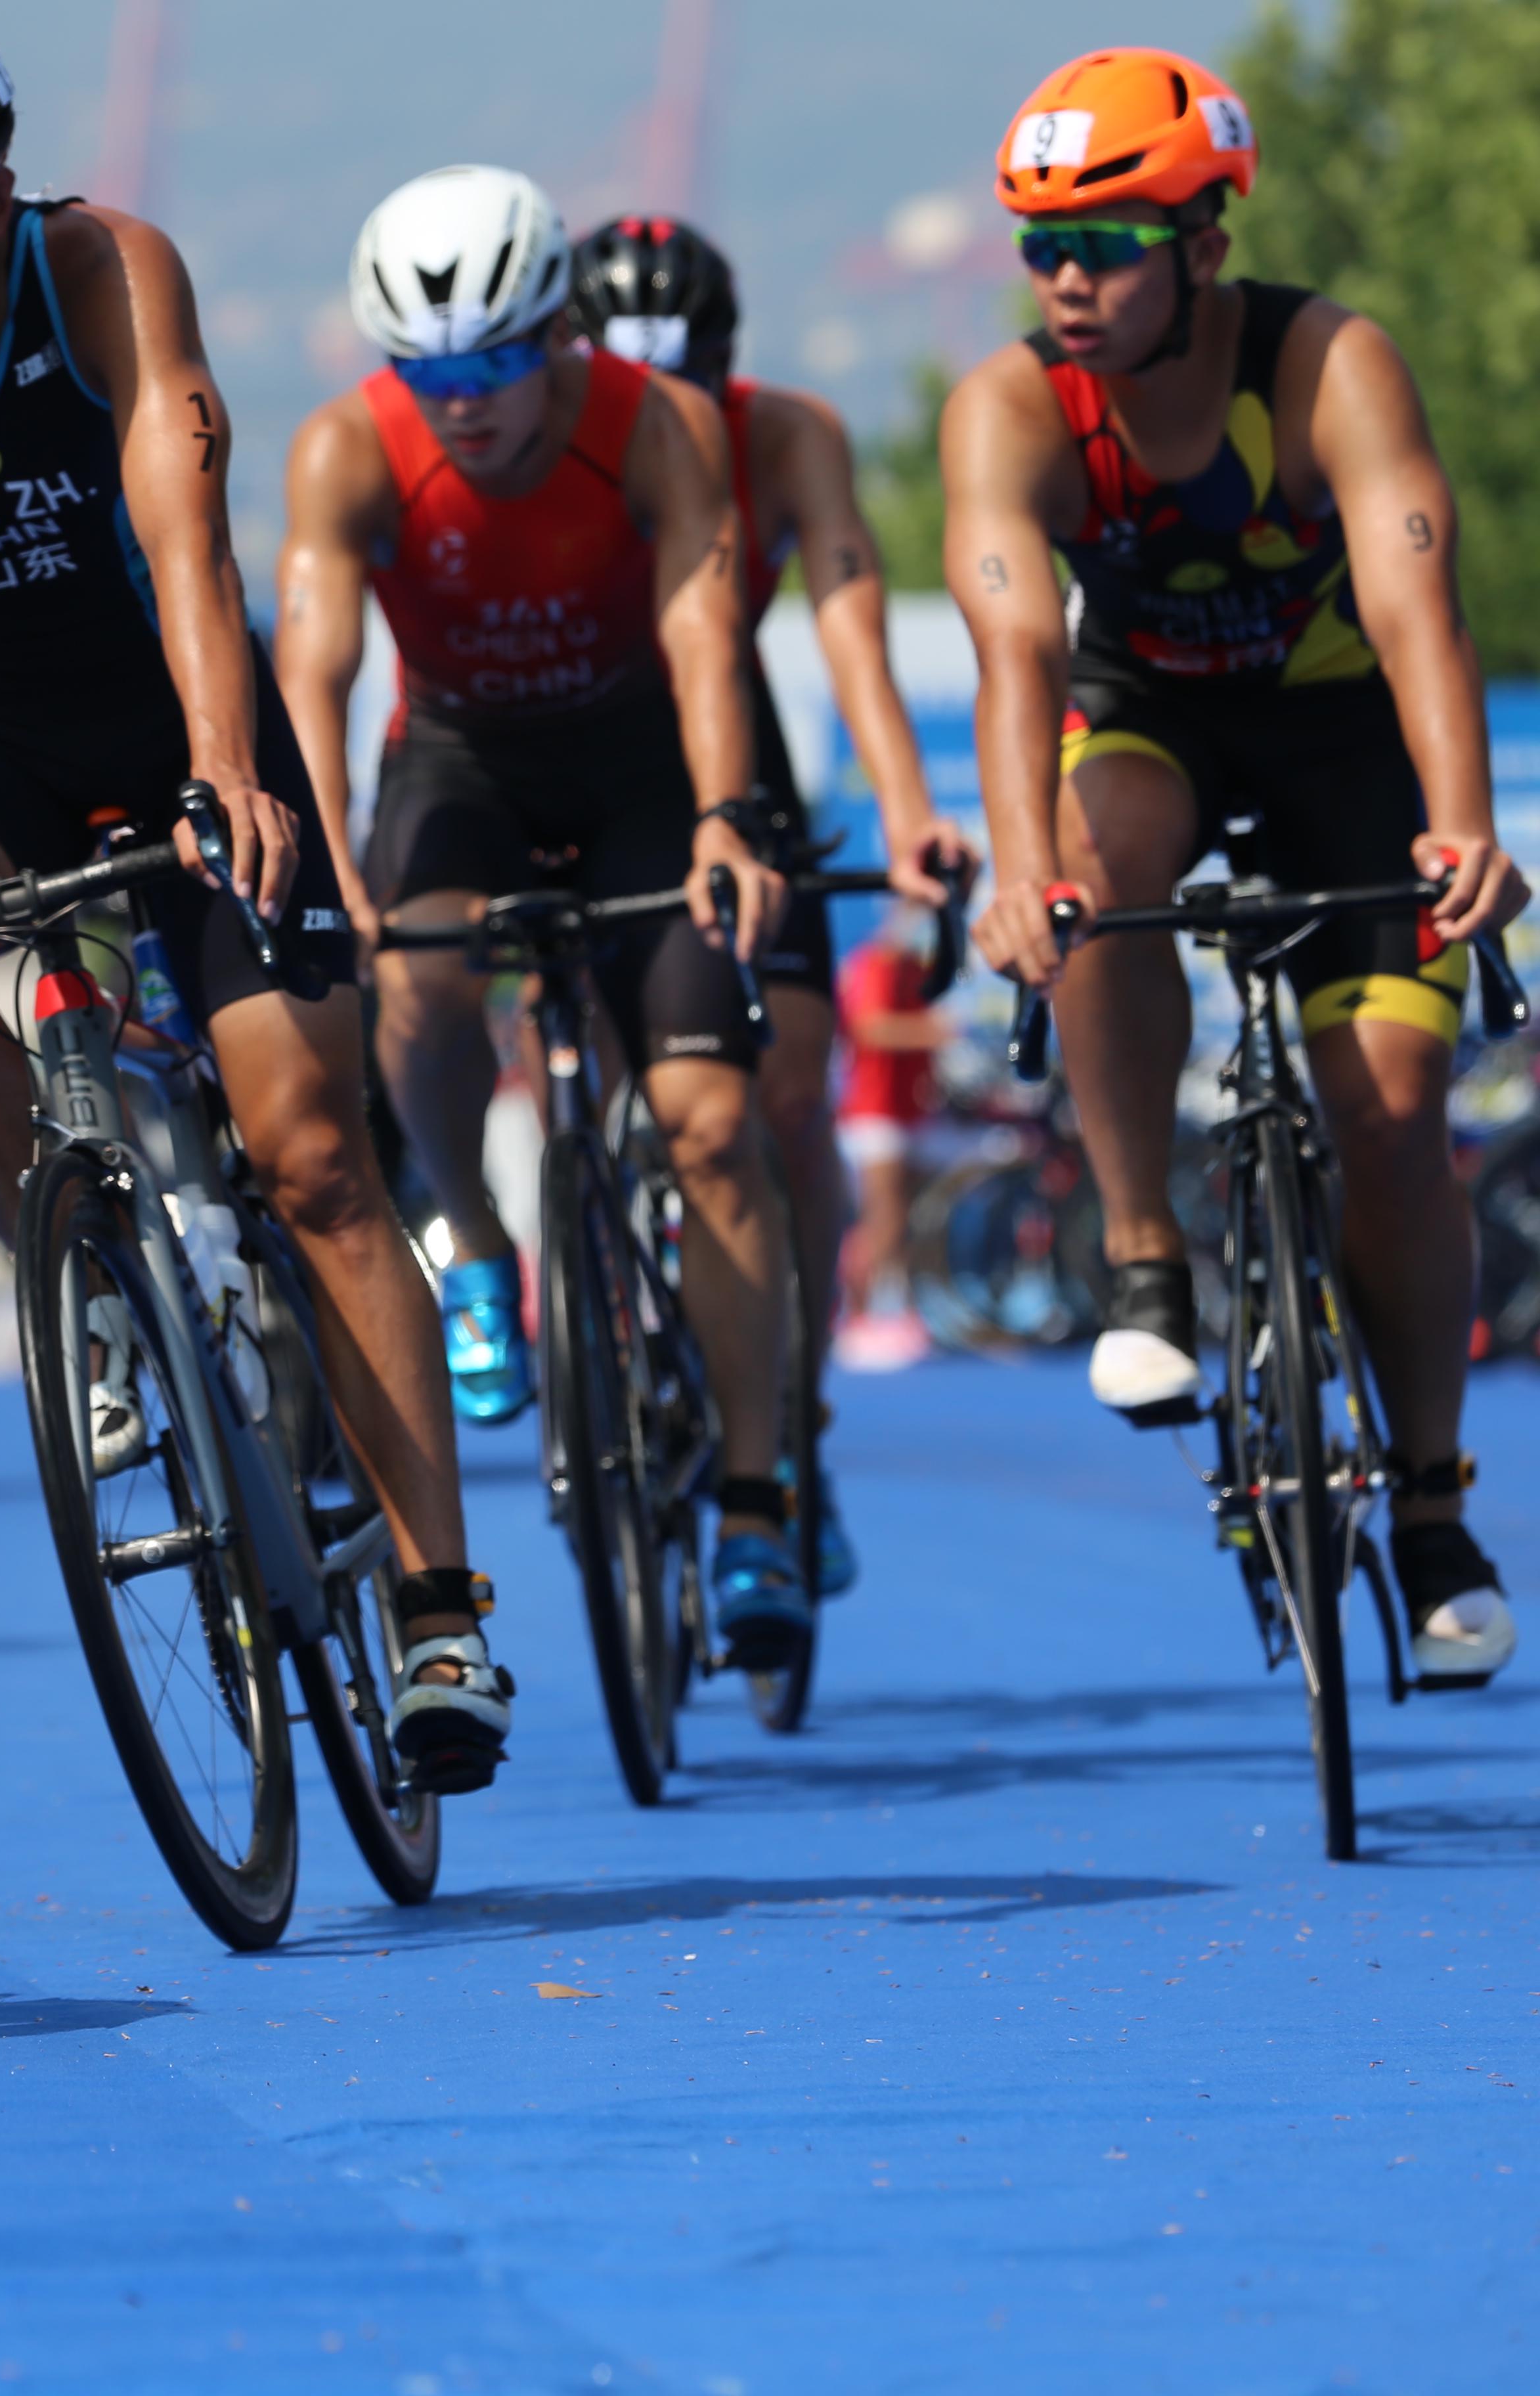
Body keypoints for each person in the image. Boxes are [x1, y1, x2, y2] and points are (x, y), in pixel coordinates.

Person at [0, 5, 507, 1787]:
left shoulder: (105, 275)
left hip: (180, 707)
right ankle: (93, 1296)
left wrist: (222, 768)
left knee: (312, 1155)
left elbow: (188, 539)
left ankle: (440, 1609)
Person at [946, 47, 1520, 1684]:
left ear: (1203, 243)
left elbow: (1415, 611)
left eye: (1105, 246)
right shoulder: (1011, 408)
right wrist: (1016, 873)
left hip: (1343, 732)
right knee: (1090, 867)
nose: (1066, 281)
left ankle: (1430, 1511)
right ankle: (1145, 1258)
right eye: (1042, 247)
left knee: (1391, 1121)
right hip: (1153, 721)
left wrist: (1463, 824)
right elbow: (1013, 656)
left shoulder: (1330, 364)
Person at [274, 165, 819, 1672]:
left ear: (559, 337)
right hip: (461, 762)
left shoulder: (656, 424)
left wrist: (724, 817)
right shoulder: (346, 448)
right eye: (428, 372)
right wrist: (333, 873)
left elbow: (704, 636)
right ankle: (473, 1241)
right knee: (421, 984)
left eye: (495, 367)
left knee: (715, 1127)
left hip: (641, 764)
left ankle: (757, 1504)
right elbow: (314, 673)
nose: (462, 404)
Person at [567, 215, 977, 1580]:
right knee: (594, 1079)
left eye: (690, 379)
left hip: (733, 767)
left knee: (789, 1099)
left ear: (728, 365)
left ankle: (790, 1411)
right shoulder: (540, 438)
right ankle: (600, 1295)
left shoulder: (790, 435)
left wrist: (908, 810)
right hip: (574, 763)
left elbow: (853, 632)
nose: (666, 413)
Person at [829, 914, 954, 1371]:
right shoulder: (871, 966)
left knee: (903, 1217)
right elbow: (869, 1026)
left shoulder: (918, 970)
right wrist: (933, 1031)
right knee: (882, 1218)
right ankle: (855, 1317)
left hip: (910, 1113)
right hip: (871, 1113)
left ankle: (893, 1309)